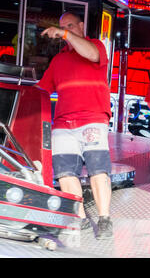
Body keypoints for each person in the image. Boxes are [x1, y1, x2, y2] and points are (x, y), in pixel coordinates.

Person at [36, 12, 113, 239]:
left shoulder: (95, 46)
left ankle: (104, 218)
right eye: (62, 27)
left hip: (93, 117)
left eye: (70, 26)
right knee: (65, 172)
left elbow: (90, 53)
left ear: (81, 26)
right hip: (62, 122)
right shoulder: (58, 60)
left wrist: (65, 34)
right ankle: (78, 218)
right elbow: (41, 89)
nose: (64, 31)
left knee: (98, 169)